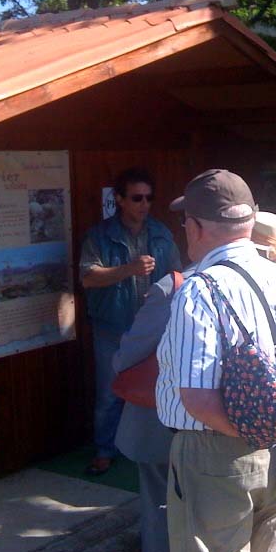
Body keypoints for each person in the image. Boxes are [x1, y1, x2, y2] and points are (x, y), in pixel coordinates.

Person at [156, 169, 276, 552]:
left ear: (197, 226)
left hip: (215, 453)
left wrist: (248, 437)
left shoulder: (199, 289)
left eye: (185, 221)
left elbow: (197, 398)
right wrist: (267, 434)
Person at [79, 167, 181, 475]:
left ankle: (151, 449)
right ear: (119, 200)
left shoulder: (162, 234)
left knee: (156, 389)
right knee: (110, 394)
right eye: (137, 198)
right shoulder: (99, 236)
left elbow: (178, 277)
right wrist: (129, 269)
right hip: (112, 329)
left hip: (154, 331)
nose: (144, 204)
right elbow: (87, 277)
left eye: (149, 198)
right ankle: (104, 451)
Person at [112, 265, 193, 552]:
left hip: (162, 422)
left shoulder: (172, 288)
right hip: (223, 426)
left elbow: (127, 357)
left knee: (160, 511)